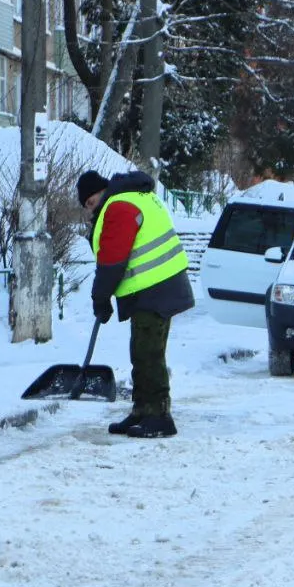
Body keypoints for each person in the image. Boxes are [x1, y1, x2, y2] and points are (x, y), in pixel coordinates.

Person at [77, 169, 195, 438]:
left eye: (91, 203)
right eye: (86, 208)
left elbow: (113, 260)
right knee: (141, 351)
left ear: (101, 192)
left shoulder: (118, 206)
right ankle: (142, 410)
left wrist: (100, 297)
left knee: (149, 354)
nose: (91, 211)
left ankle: (160, 416)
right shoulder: (133, 197)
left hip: (157, 288)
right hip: (156, 286)